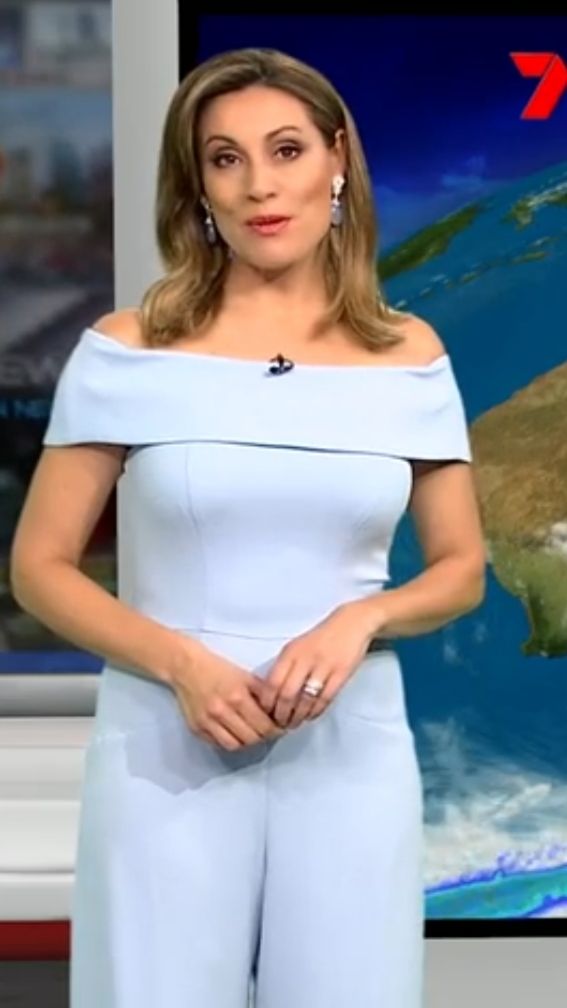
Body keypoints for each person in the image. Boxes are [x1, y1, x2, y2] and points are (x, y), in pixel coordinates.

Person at [10, 47, 486, 1008]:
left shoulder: (408, 356)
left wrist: (359, 618)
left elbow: (461, 567)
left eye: (285, 150)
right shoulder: (128, 351)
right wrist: (183, 665)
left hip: (348, 744)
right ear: (197, 185)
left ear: (336, 158)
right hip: (165, 740)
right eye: (225, 159)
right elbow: (40, 567)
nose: (259, 185)